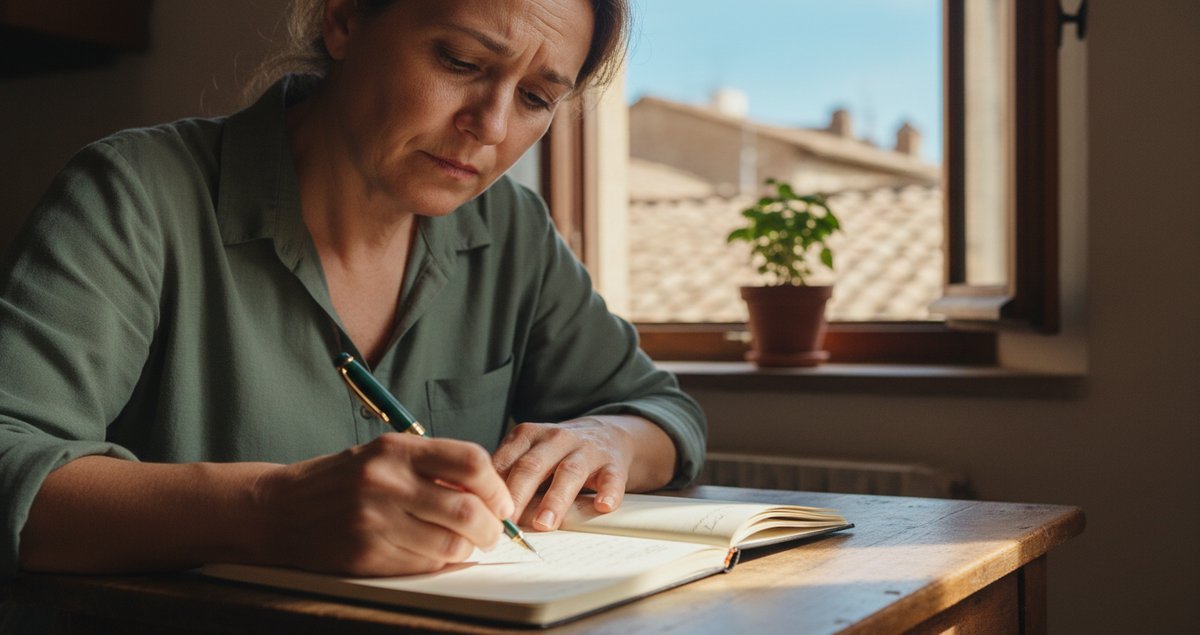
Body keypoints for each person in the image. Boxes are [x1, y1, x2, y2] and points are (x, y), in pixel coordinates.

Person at [0, 0, 705, 604]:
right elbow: (11, 459)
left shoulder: (510, 229)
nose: (490, 126)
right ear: (343, 20)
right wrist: (270, 510)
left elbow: (665, 414)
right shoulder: (134, 195)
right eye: (461, 62)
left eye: (535, 98)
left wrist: (607, 439)